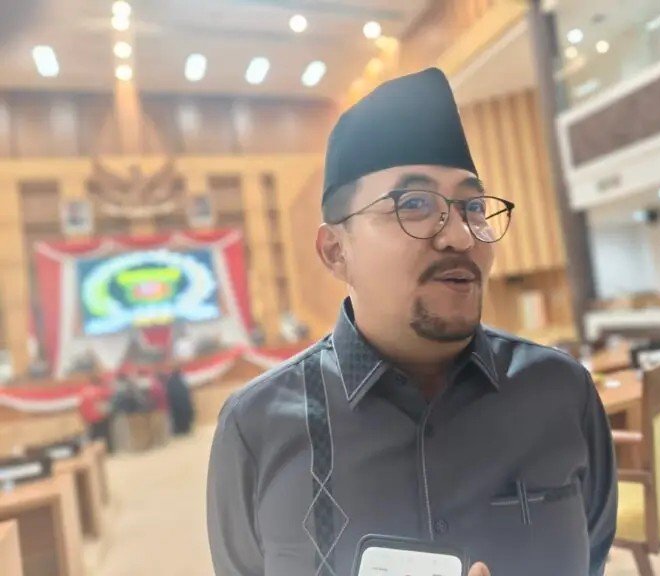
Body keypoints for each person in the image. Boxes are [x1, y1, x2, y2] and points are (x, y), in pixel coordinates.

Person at [207, 68, 617, 576]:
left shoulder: (561, 390)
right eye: (414, 205)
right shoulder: (257, 427)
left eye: (473, 207)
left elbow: (593, 554)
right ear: (335, 251)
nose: (461, 236)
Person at [79, 375, 114, 452]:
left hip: (88, 418)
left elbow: (80, 406)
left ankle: (94, 451)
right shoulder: (99, 390)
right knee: (104, 434)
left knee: (93, 435)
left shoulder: (83, 392)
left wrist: (84, 417)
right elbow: (104, 403)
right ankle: (108, 450)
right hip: (99, 416)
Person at [164, 364, 195, 435]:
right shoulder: (181, 380)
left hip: (176, 405)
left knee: (178, 418)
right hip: (182, 404)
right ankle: (184, 429)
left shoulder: (170, 381)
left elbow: (169, 393)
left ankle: (180, 430)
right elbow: (186, 392)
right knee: (183, 417)